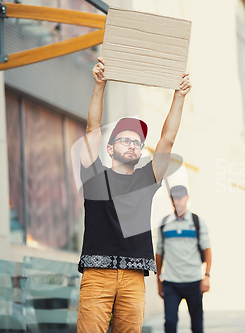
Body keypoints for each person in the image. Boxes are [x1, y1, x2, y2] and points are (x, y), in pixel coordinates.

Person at [76, 57, 191, 332]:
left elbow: (167, 139)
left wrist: (179, 95)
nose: (132, 144)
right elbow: (92, 130)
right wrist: (100, 85)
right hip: (97, 276)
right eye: (124, 139)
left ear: (140, 152)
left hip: (134, 279)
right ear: (111, 149)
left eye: (137, 142)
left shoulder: (146, 179)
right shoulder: (94, 177)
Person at [156, 185, 212, 333]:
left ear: (187, 198)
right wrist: (158, 281)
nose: (177, 201)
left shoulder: (197, 222)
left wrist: (206, 276)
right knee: (170, 323)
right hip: (171, 283)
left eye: (180, 198)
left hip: (193, 281)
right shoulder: (164, 223)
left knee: (197, 324)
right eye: (174, 198)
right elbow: (159, 253)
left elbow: (207, 250)